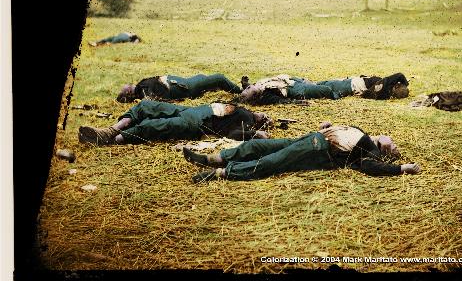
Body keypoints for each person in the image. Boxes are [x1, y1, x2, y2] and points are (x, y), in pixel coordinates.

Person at [183, 121, 421, 182]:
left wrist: (401, 168)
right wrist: (328, 126)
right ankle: (211, 159)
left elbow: (371, 167)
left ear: (384, 149)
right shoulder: (363, 132)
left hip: (317, 149)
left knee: (272, 161)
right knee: (258, 146)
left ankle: (220, 173)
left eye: (393, 147)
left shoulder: (370, 151)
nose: (394, 143)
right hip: (311, 137)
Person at [78, 100, 272, 145]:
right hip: (190, 110)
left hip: (197, 124)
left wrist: (256, 134)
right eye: (266, 115)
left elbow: (234, 135)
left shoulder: (247, 121)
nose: (265, 115)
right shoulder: (245, 110)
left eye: (266, 118)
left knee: (152, 127)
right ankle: (111, 130)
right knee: (146, 106)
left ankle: (110, 140)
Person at [238, 73, 409, 105]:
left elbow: (398, 75)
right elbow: (398, 75)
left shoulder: (382, 88)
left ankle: (332, 93)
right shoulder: (384, 87)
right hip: (347, 82)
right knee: (321, 86)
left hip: (347, 84)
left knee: (322, 88)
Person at [117, 73, 242, 103]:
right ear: (129, 92)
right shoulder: (144, 92)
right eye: (128, 87)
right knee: (219, 78)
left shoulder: (142, 87)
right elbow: (157, 101)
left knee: (202, 77)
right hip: (186, 87)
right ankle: (242, 92)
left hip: (183, 83)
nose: (130, 84)